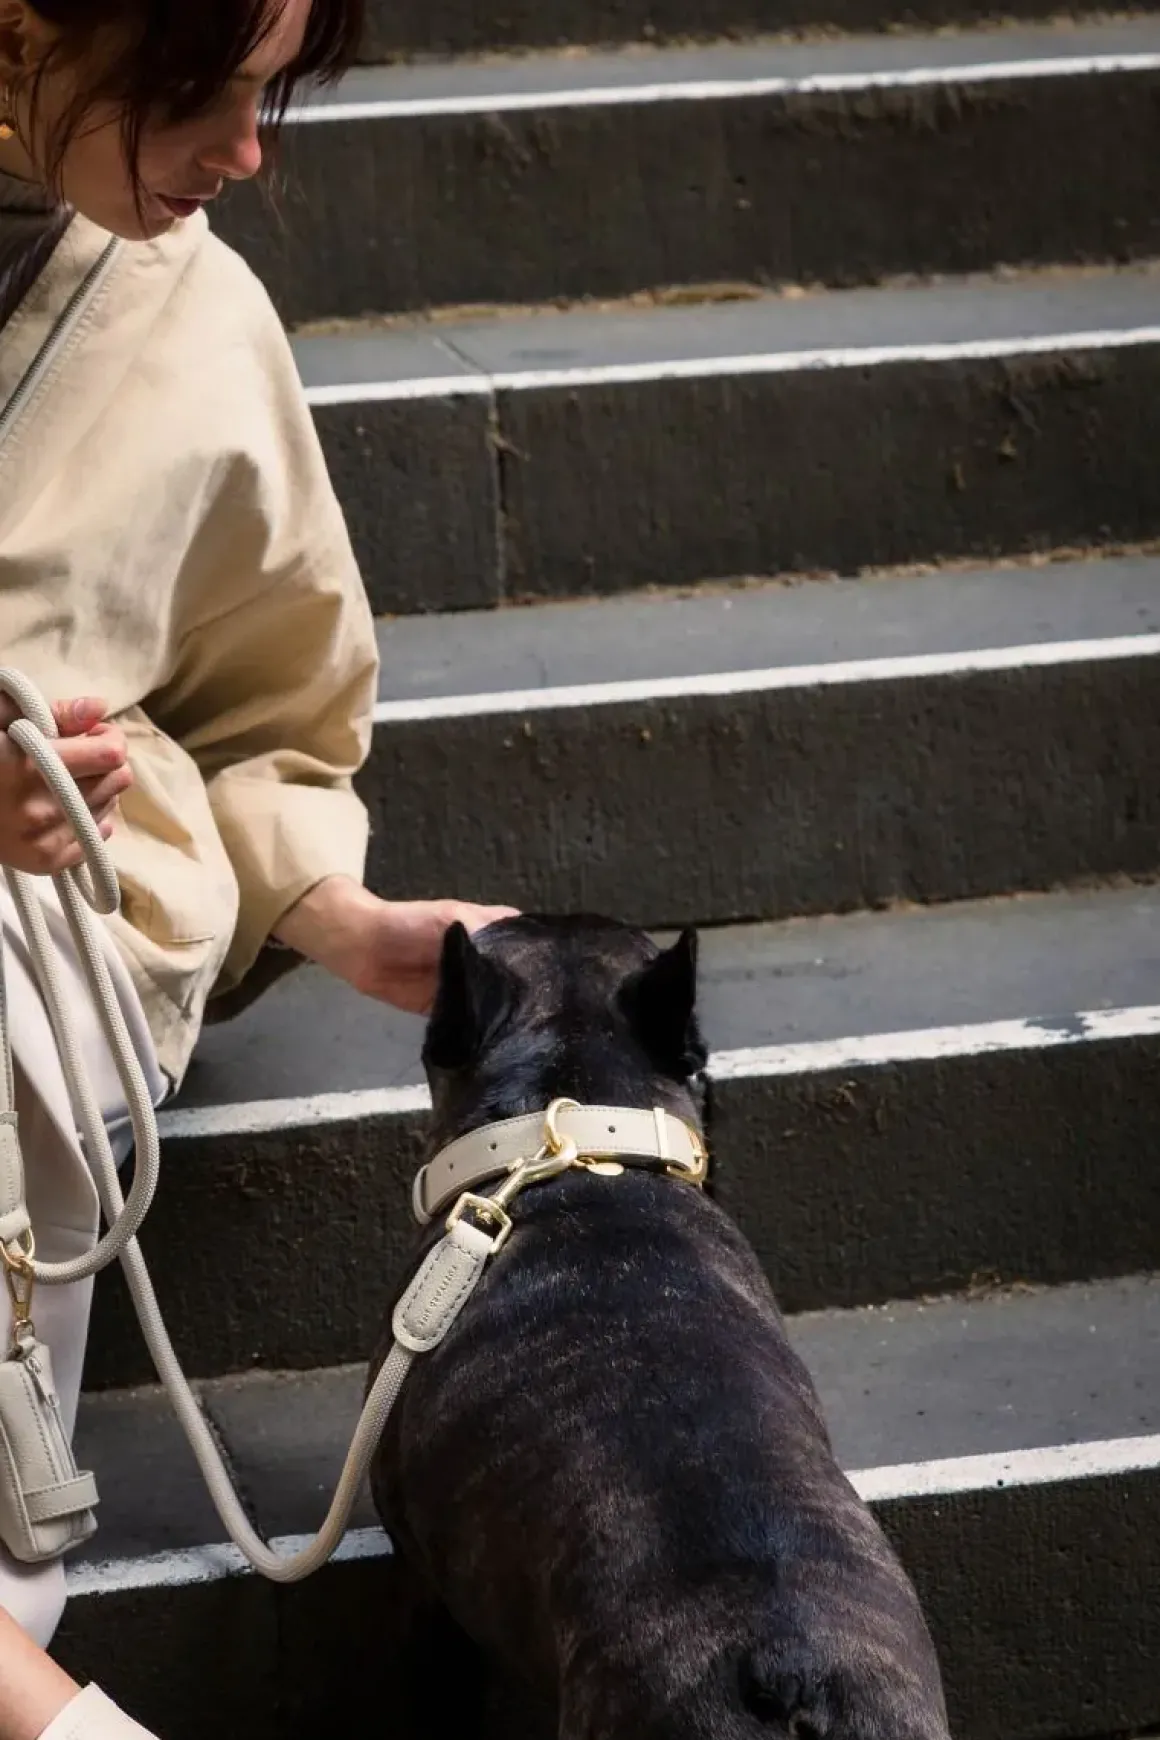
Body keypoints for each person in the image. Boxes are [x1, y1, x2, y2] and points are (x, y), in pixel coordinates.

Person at [0, 0, 515, 1733]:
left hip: (40, 944)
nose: (247, 150)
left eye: (267, 92)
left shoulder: (195, 312)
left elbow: (259, 709)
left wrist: (335, 910)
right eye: (197, 91)